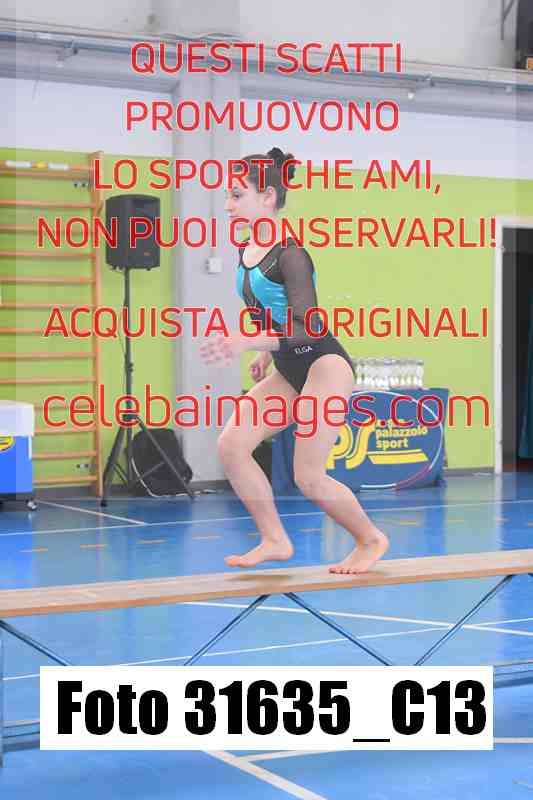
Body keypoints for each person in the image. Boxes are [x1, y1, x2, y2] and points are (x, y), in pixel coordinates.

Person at [199, 147, 389, 573]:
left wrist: (247, 341)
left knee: (309, 476)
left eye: (236, 195)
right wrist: (265, 355)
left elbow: (309, 328)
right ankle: (274, 539)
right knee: (232, 446)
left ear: (267, 196)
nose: (227, 205)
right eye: (227, 196)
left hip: (323, 365)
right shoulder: (248, 249)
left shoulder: (291, 254)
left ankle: (370, 539)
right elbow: (273, 310)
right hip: (289, 367)